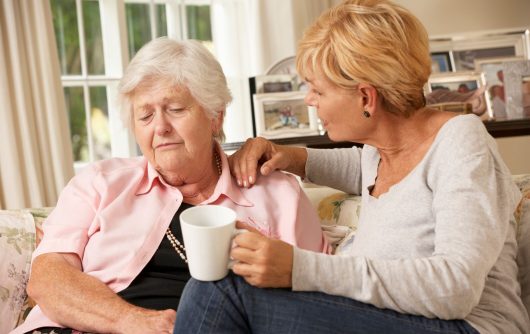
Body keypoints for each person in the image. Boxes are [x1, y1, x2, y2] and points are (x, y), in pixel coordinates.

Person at [173, 1, 530, 333]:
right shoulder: (382, 151)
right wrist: (289, 155)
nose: (309, 101)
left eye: (318, 91)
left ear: (365, 97)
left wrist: (299, 268)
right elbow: (364, 169)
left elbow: (457, 287)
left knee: (221, 292)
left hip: (467, 326)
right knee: (219, 283)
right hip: (398, 319)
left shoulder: (462, 144)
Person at [11, 38, 330, 334]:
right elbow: (47, 278)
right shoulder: (100, 184)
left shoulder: (277, 195)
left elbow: (320, 297)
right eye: (145, 115)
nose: (160, 127)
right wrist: (130, 320)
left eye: (176, 109)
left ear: (215, 115)